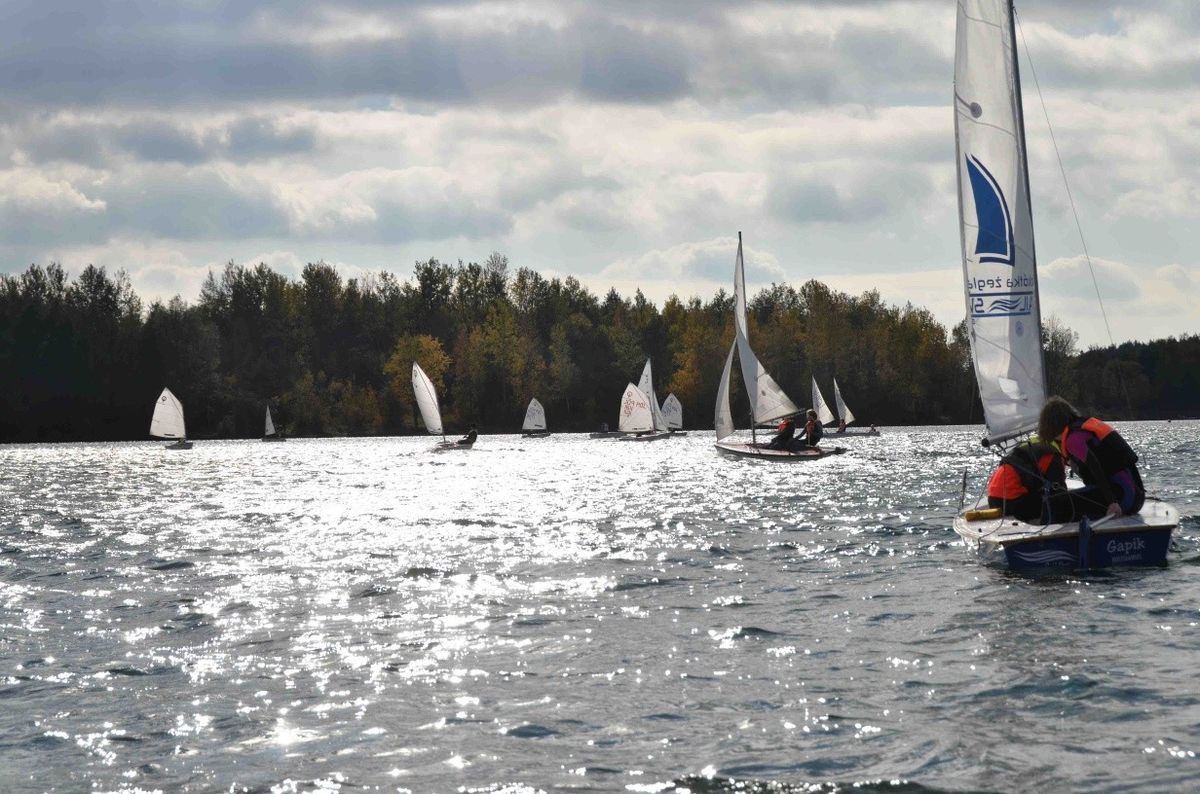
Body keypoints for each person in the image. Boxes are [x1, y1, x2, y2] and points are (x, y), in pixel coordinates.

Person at [1038, 396, 1144, 519]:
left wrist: (1112, 502)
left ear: (1050, 424)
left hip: (1121, 498)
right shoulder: (1081, 429)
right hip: (1136, 498)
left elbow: (1096, 468)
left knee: (1050, 504)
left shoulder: (1073, 440)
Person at [986, 435, 1067, 523]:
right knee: (1058, 503)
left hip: (993, 499)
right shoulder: (1053, 455)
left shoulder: (1031, 444)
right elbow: (1058, 490)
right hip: (1014, 502)